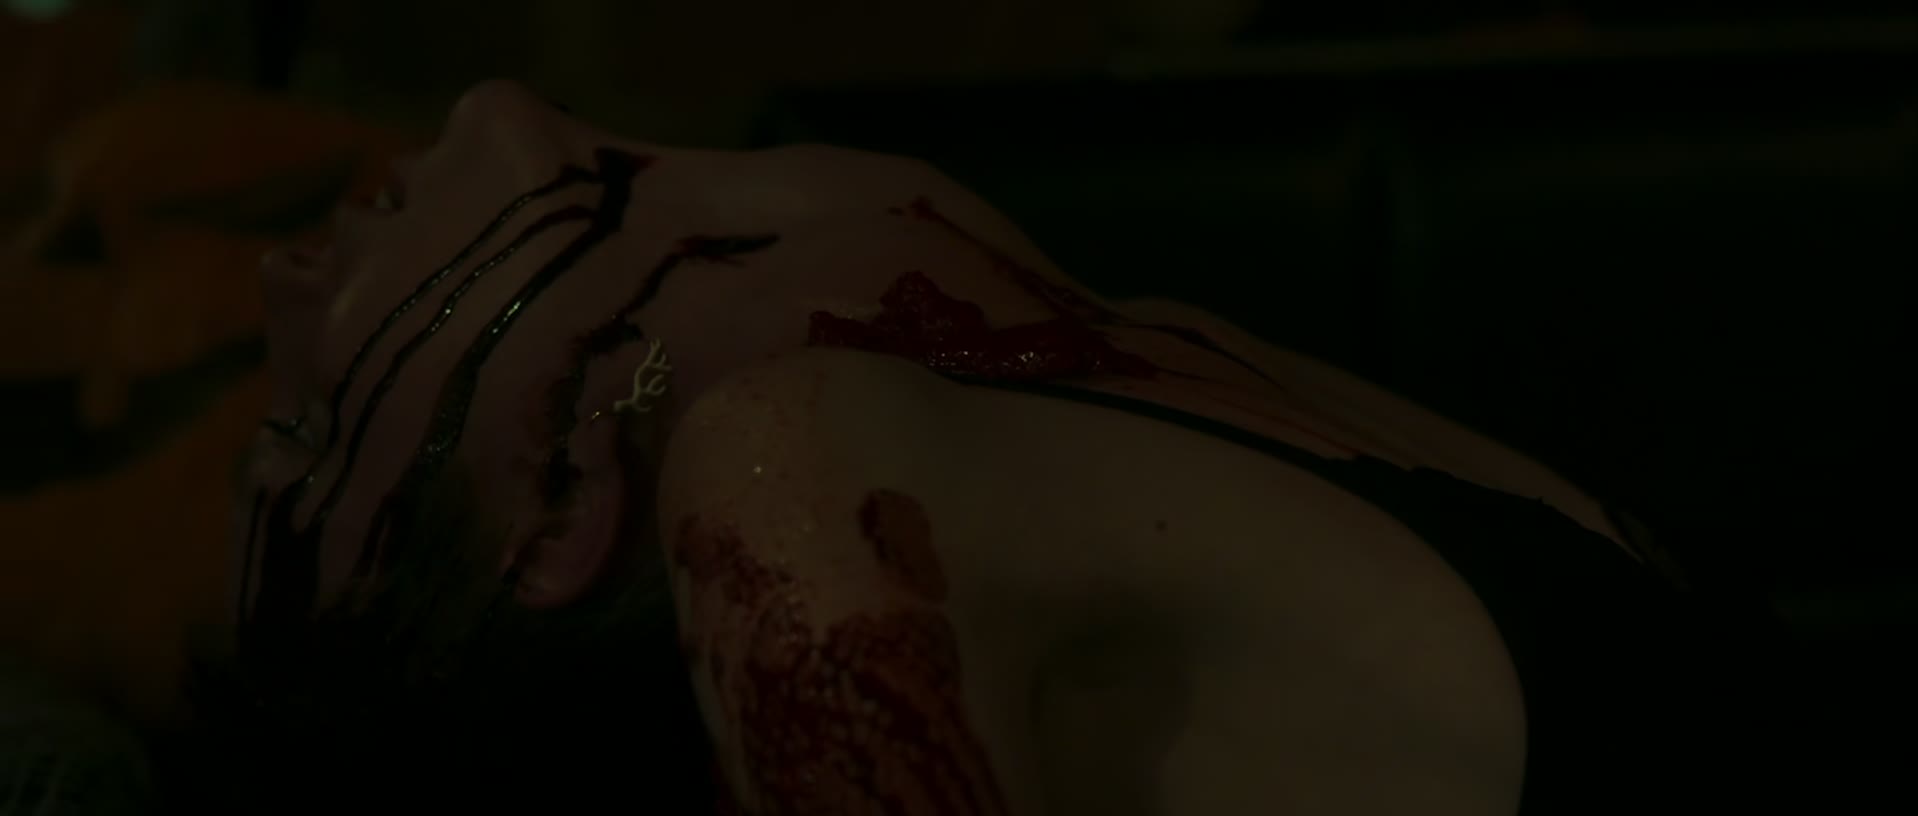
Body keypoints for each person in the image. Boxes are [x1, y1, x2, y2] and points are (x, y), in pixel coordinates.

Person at [181, 79, 1746, 815]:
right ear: (557, 496)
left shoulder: (1148, 367)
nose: (279, 280)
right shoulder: (786, 474)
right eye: (299, 437)